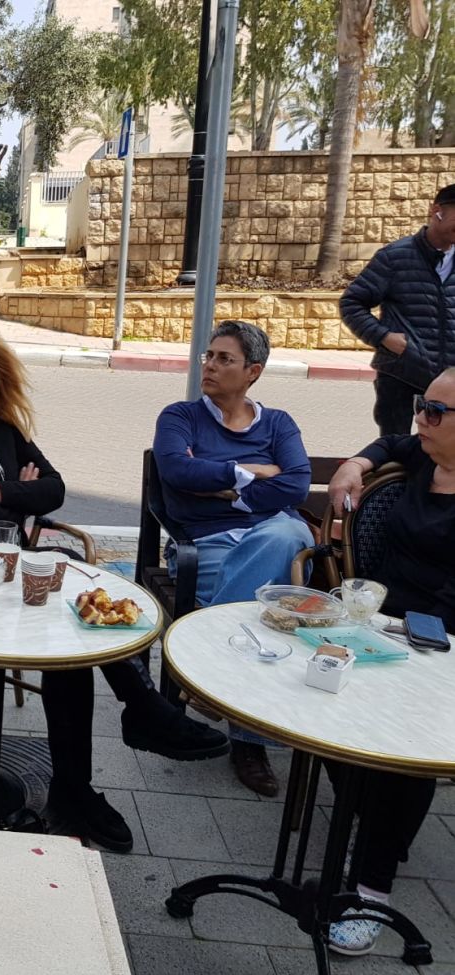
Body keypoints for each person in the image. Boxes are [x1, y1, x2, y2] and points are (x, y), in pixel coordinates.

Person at [0, 322, 228, 853]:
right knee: (65, 605)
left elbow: (53, 489)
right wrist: (14, 497)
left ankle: (83, 777)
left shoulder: (3, 427)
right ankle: (133, 721)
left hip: (5, 571)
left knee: (69, 621)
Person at [322, 368, 455, 955]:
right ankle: (373, 821)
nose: (421, 418)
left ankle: (372, 889)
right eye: (423, 404)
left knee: (404, 747)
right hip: (377, 622)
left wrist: (400, 637)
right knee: (316, 698)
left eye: (436, 412)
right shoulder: (426, 456)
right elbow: (391, 442)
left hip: (441, 639)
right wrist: (355, 464)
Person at [153, 320, 314, 797]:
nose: (210, 365)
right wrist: (253, 474)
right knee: (269, 612)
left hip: (269, 537)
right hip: (206, 543)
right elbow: (177, 473)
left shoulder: (278, 423)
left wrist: (225, 487)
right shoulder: (180, 417)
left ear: (253, 372)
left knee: (285, 533)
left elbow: (296, 485)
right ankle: (249, 740)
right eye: (209, 356)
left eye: (225, 359)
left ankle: (208, 679)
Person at [341, 183, 455, 437]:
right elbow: (352, 303)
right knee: (397, 451)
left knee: (446, 453)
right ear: (437, 211)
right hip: (401, 375)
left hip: (450, 382)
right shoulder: (394, 257)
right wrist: (384, 337)